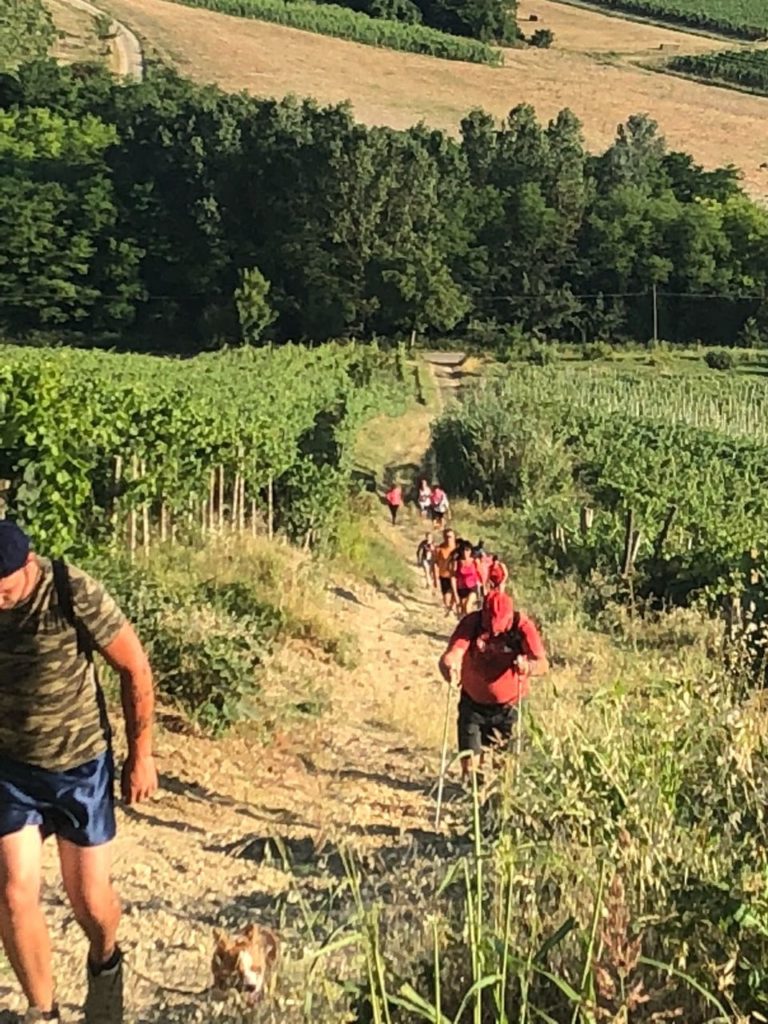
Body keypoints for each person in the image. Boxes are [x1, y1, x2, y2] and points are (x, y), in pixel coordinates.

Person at [0, 522, 158, 1024]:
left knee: (90, 902)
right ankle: (42, 1012)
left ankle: (106, 961)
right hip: (9, 769)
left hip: (78, 766)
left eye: (2, 592)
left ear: (27, 567)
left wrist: (142, 754)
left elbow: (134, 667)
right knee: (13, 890)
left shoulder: (72, 590)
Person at [438, 590, 548, 782]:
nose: (494, 631)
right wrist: (449, 665)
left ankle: (498, 801)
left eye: (499, 625)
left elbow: (543, 664)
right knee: (470, 764)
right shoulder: (472, 623)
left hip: (510, 706)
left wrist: (528, 666)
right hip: (473, 703)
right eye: (490, 625)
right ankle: (471, 796)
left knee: (504, 766)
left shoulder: (522, 626)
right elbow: (454, 651)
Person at [452, 540, 481, 618]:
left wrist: (483, 588)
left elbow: (480, 574)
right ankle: (467, 626)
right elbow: (453, 577)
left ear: (471, 551)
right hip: (461, 588)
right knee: (463, 611)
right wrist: (455, 593)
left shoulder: (475, 561)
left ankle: (472, 626)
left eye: (467, 550)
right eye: (463, 550)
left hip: (472, 587)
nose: (465, 552)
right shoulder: (457, 562)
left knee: (468, 607)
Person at [432, 527, 457, 616]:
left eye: (450, 536)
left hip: (456, 576)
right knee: (446, 597)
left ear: (454, 537)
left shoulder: (458, 549)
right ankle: (448, 607)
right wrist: (435, 578)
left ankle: (452, 607)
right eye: (446, 536)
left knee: (455, 593)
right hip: (444, 576)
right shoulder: (439, 549)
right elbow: (435, 563)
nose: (448, 538)